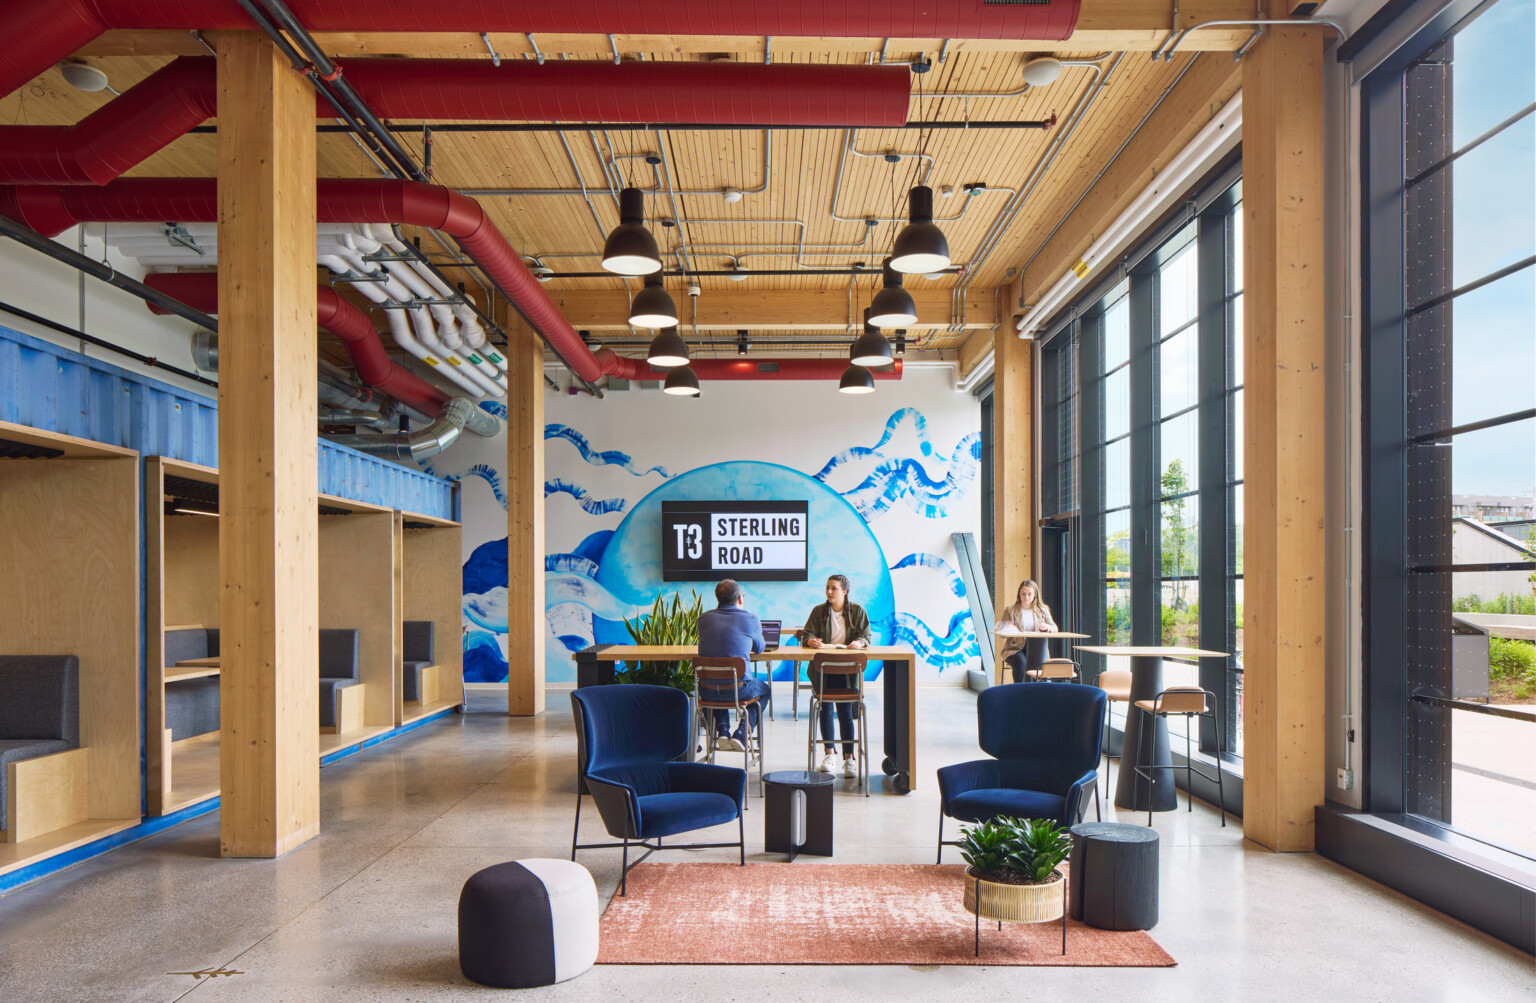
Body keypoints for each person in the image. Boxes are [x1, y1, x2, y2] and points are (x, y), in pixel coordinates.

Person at [801, 574, 870, 777]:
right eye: (827, 588)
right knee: (825, 711)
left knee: (846, 714)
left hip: (847, 670)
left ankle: (849, 758)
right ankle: (829, 754)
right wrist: (811, 641)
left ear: (844, 591)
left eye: (834, 588)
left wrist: (860, 643)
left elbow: (866, 635)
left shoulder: (857, 611)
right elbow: (807, 634)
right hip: (823, 669)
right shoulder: (818, 611)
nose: (829, 592)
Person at [696, 578, 770, 752]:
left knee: (718, 681)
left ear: (717, 599)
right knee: (764, 690)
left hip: (706, 689)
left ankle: (722, 731)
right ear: (740, 599)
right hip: (738, 690)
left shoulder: (704, 619)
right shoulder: (751, 618)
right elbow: (759, 648)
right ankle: (741, 734)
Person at [994, 578, 1057, 684]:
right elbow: (1002, 633)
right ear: (1019, 594)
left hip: (1036, 648)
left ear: (1035, 595)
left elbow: (1054, 628)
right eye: (1023, 594)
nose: (1026, 597)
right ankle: (1020, 693)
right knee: (1021, 662)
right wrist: (1006, 627)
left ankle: (1040, 694)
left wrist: (1047, 627)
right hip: (1014, 649)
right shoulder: (1011, 610)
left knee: (1041, 665)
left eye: (1029, 594)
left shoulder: (1042, 610)